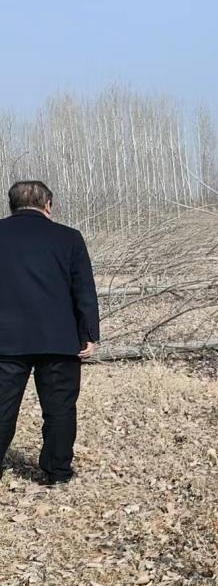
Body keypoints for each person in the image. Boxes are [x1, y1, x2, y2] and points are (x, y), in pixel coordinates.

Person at [0, 181, 99, 485]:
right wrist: (88, 333)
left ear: (11, 205)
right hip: (59, 339)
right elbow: (83, 289)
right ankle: (57, 474)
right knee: (59, 410)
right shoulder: (68, 238)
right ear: (48, 205)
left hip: (5, 341)